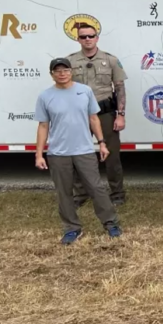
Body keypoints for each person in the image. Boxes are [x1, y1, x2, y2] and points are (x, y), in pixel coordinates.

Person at [35, 58, 121, 245]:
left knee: (96, 188)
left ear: (71, 71)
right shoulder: (45, 96)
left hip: (84, 150)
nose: (62, 73)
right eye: (57, 71)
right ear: (52, 74)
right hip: (58, 153)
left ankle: (111, 223)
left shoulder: (85, 91)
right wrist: (39, 154)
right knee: (64, 192)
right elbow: (43, 126)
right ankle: (72, 229)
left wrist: (102, 143)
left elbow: (94, 119)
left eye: (65, 69)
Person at [67, 22, 127, 206]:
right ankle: (80, 194)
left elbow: (119, 88)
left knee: (111, 155)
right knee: (78, 154)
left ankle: (117, 193)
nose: (87, 39)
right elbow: (64, 87)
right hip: (79, 114)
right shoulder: (69, 61)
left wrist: (121, 114)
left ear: (97, 38)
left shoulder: (110, 60)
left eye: (90, 36)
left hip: (105, 113)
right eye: (83, 36)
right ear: (78, 39)